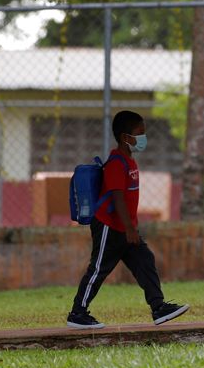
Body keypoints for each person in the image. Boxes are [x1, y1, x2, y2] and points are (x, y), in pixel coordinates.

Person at [67, 110, 189, 329]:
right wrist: (130, 229)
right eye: (139, 133)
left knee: (145, 260)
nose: (143, 138)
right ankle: (77, 313)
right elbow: (117, 197)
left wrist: (130, 228)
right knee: (98, 269)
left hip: (125, 228)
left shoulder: (129, 161)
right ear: (125, 137)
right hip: (109, 226)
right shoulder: (116, 163)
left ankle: (158, 308)